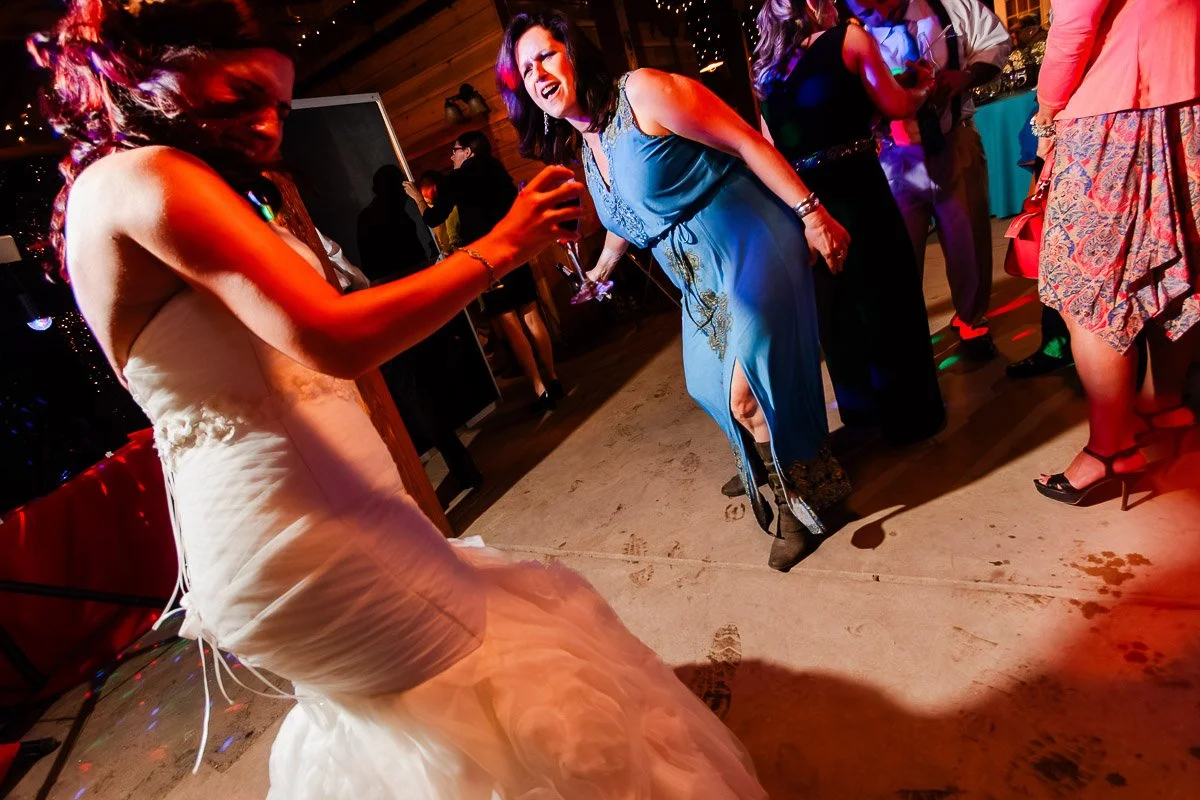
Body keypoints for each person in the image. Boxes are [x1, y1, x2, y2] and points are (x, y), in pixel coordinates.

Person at [30, 1, 767, 796]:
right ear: (143, 62)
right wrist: (500, 247)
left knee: (439, 720)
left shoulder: (155, 185)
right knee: (500, 690)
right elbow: (332, 338)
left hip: (321, 519)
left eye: (279, 105)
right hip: (301, 536)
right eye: (241, 93)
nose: (270, 126)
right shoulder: (143, 179)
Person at [498, 9, 854, 571]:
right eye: (524, 68)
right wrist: (599, 271)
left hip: (751, 242)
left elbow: (744, 141)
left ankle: (803, 501)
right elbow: (626, 217)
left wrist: (812, 214)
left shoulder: (643, 91)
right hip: (699, 280)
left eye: (544, 54)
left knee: (747, 390)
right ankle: (766, 458)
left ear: (572, 51)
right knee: (705, 385)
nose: (536, 73)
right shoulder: (589, 141)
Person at [754, 0, 946, 449]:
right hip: (858, 188)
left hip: (806, 203)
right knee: (887, 296)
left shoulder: (765, 69)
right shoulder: (850, 39)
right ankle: (911, 417)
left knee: (837, 308)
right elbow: (896, 105)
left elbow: (768, 146)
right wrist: (924, 87)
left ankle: (861, 413)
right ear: (810, 3)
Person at [1031, 0, 1200, 508]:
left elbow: (1077, 20)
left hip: (1114, 106)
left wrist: (1045, 111)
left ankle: (1111, 448)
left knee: (1089, 284)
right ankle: (1164, 407)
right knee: (1181, 264)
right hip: (1191, 91)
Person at [844, 0, 1012, 362]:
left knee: (969, 241)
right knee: (900, 254)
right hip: (892, 156)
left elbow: (997, 41)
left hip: (954, 139)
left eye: (870, 5)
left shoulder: (951, 5)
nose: (868, 15)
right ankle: (908, 339)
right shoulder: (851, 34)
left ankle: (972, 321)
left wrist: (965, 76)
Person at [405, 131, 563, 413]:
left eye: (455, 150)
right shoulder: (498, 169)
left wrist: (418, 197)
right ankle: (553, 378)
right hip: (515, 251)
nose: (452, 156)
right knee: (531, 313)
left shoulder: (458, 179)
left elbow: (433, 217)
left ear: (468, 151)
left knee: (510, 323)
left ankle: (540, 391)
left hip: (488, 259)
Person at [355, 164, 430, 283]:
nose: (404, 191)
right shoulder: (389, 215)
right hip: (401, 281)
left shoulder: (372, 215)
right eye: (400, 186)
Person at [416, 169, 461, 254]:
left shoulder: (451, 209)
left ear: (435, 188)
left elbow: (454, 244)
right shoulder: (445, 207)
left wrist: (419, 199)